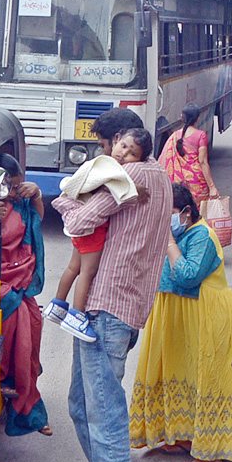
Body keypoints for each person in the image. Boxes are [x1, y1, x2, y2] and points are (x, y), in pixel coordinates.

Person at [51, 107, 172, 462]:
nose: (107, 154)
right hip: (124, 305)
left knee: (103, 414)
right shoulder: (159, 173)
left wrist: (62, 198)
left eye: (107, 145)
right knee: (81, 404)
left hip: (107, 306)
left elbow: (77, 222)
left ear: (121, 140)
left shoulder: (126, 174)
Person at [129, 184, 232, 462]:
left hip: (207, 315)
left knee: (208, 377)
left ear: (186, 212)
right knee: (182, 373)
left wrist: (167, 241)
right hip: (179, 315)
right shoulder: (180, 232)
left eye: (166, 215)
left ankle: (211, 454)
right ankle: (183, 436)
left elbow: (188, 275)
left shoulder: (202, 235)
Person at [46, 129, 151, 342]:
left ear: (139, 160)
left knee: (73, 267)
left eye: (132, 153)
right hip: (93, 230)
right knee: (88, 272)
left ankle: (57, 305)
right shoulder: (111, 168)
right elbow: (115, 189)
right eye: (123, 146)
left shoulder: (98, 163)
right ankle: (76, 316)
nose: (124, 154)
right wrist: (135, 189)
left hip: (81, 230)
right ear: (116, 140)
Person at [0, 154, 52, 437]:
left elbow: (37, 221)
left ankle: (24, 395)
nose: (15, 193)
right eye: (12, 187)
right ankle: (7, 381)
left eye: (19, 187)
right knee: (12, 309)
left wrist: (38, 195)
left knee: (32, 320)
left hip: (16, 275)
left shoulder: (17, 202)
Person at [159, 105, 218, 204]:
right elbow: (203, 162)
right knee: (198, 211)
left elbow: (164, 159)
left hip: (179, 182)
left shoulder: (175, 136)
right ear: (198, 119)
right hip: (196, 182)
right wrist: (212, 187)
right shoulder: (201, 135)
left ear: (182, 117)